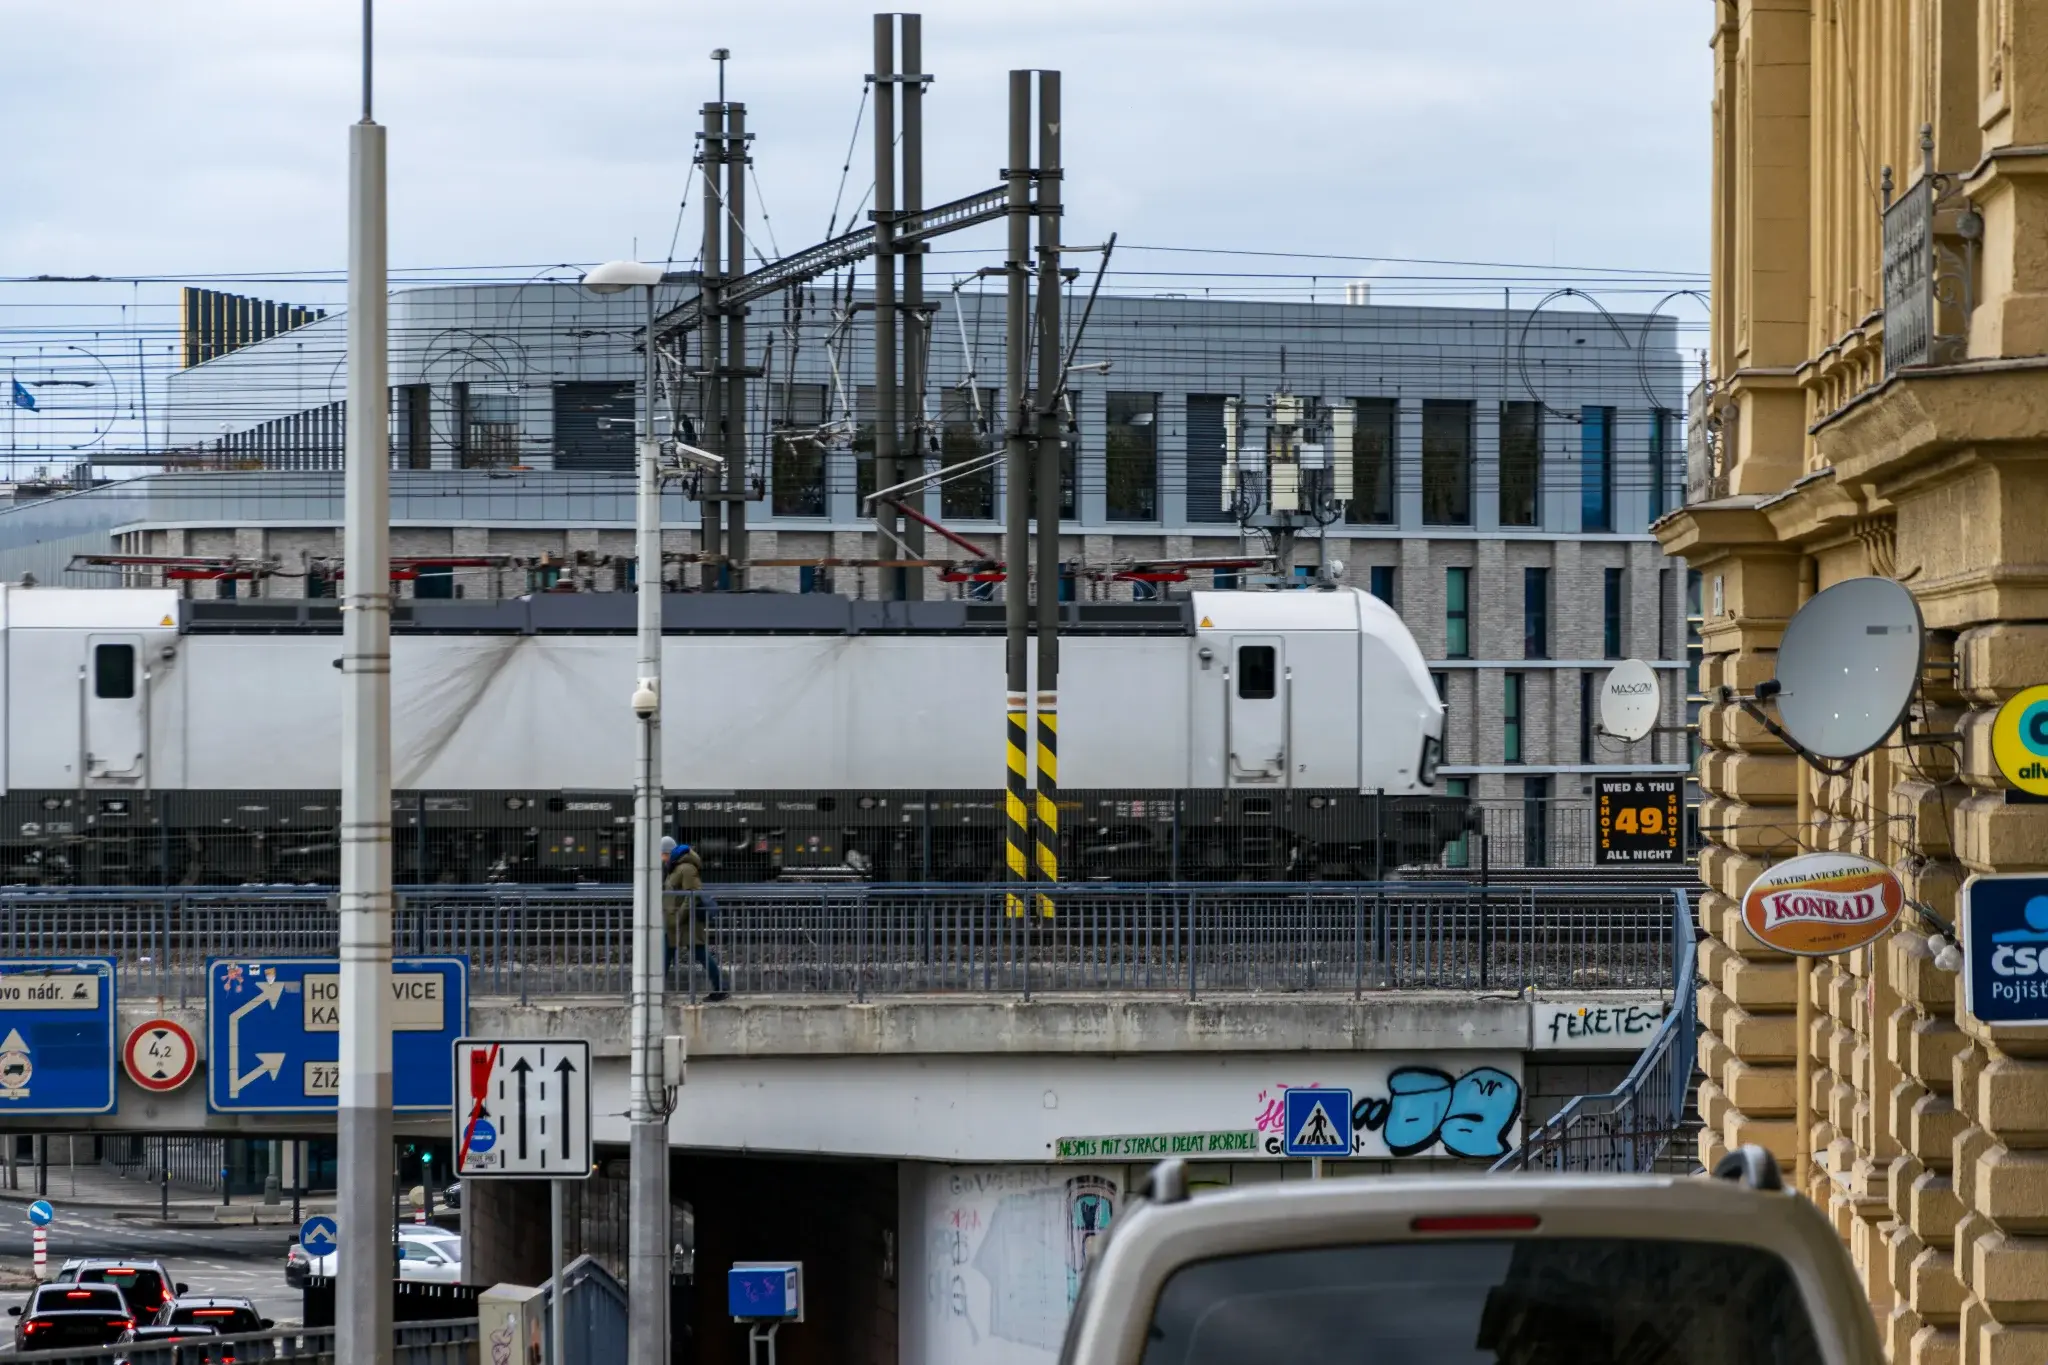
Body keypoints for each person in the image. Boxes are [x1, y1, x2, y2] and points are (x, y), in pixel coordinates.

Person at [663, 839, 728, 1001]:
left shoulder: (686, 868)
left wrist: (679, 916)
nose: (661, 858)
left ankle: (721, 988)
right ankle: (655, 992)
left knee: (700, 954)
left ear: (668, 853)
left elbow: (693, 895)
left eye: (662, 854)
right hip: (675, 923)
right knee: (665, 955)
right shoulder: (676, 868)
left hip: (686, 923)